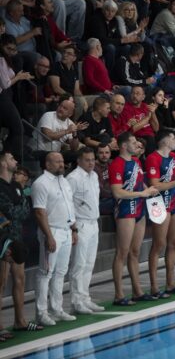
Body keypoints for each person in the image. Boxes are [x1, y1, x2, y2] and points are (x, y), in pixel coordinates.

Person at [109, 132, 159, 306]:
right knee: (122, 252)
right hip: (125, 210)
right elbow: (117, 192)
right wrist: (142, 193)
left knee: (135, 252)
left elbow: (140, 183)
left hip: (139, 208)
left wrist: (149, 191)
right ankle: (119, 294)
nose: (137, 144)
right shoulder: (117, 164)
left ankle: (137, 291)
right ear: (123, 145)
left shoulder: (136, 161)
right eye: (133, 142)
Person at [146, 130, 175, 296]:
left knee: (174, 243)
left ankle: (170, 283)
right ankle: (154, 286)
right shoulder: (153, 158)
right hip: (158, 204)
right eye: (173, 138)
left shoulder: (174, 157)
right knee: (159, 244)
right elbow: (156, 185)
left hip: (174, 203)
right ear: (164, 140)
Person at [32, 152, 77, 326]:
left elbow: (70, 207)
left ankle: (56, 309)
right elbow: (39, 212)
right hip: (51, 232)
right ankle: (41, 313)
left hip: (66, 230)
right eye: (57, 161)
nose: (61, 164)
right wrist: (49, 236)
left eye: (62, 161)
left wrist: (73, 229)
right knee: (45, 273)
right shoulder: (41, 183)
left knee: (60, 272)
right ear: (47, 164)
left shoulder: (64, 181)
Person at [0, 151, 42, 333]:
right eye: (11, 158)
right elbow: (10, 212)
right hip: (3, 240)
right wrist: (16, 210)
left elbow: (24, 212)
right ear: (3, 163)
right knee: (1, 283)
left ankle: (20, 321)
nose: (15, 161)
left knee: (20, 279)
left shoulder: (16, 186)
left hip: (17, 237)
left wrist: (15, 210)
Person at [65, 147, 104, 314]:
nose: (91, 163)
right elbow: (67, 204)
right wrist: (72, 227)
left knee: (89, 264)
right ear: (79, 161)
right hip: (80, 224)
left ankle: (85, 298)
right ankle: (76, 302)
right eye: (87, 160)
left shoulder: (94, 175)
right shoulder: (72, 178)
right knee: (78, 265)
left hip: (94, 223)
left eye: (93, 159)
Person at [48, 44, 86, 119]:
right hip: (61, 97)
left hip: (72, 97)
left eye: (69, 53)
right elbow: (56, 88)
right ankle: (74, 123)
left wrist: (83, 99)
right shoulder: (56, 66)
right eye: (64, 52)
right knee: (79, 103)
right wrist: (71, 97)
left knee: (96, 100)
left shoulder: (74, 69)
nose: (65, 55)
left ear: (74, 58)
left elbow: (76, 90)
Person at [122, 85, 159, 153]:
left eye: (137, 93)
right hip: (137, 136)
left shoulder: (146, 106)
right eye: (133, 93)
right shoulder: (126, 108)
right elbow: (132, 129)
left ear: (143, 97)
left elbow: (156, 128)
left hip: (151, 136)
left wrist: (153, 113)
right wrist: (147, 118)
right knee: (150, 139)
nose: (134, 96)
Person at [94, 143, 114, 215]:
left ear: (110, 154)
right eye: (101, 153)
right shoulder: (93, 168)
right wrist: (117, 193)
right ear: (96, 154)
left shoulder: (112, 163)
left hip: (112, 197)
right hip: (100, 201)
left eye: (107, 152)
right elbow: (101, 192)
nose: (104, 155)